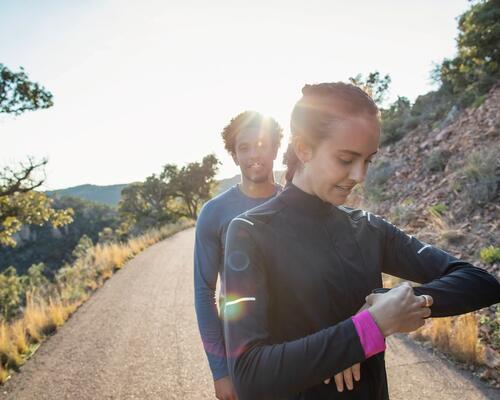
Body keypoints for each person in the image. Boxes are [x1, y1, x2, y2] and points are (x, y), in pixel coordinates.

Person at [222, 82, 500, 400]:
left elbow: (480, 282)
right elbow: (249, 375)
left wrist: (396, 302)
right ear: (303, 148)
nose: (360, 175)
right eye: (345, 159)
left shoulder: (368, 228)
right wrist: (365, 330)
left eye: (368, 160)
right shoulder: (249, 232)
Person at [194, 111, 284, 400]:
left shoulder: (296, 204)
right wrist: (220, 371)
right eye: (243, 147)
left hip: (299, 350)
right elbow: (203, 293)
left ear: (275, 148)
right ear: (234, 155)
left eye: (261, 144)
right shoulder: (214, 213)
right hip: (243, 358)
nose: (253, 154)